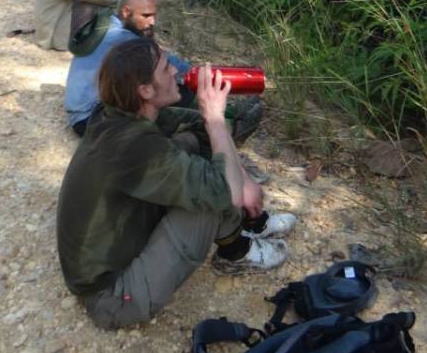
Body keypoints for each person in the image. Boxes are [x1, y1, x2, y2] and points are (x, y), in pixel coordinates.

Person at [56, 39, 296, 329]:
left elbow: (202, 131)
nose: (175, 71)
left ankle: (249, 226)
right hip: (112, 297)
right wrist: (216, 119)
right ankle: (236, 252)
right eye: (165, 67)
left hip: (116, 254)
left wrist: (239, 171)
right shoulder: (133, 147)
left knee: (192, 146)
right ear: (145, 90)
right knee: (210, 195)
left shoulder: (124, 117)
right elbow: (222, 188)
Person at [64, 0, 262, 148]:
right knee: (172, 89)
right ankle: (231, 125)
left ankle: (225, 121)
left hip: (83, 112)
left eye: (154, 15)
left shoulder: (107, 27)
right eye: (147, 15)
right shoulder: (124, 40)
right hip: (92, 120)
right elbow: (174, 66)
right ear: (126, 12)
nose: (153, 22)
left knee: (160, 85)